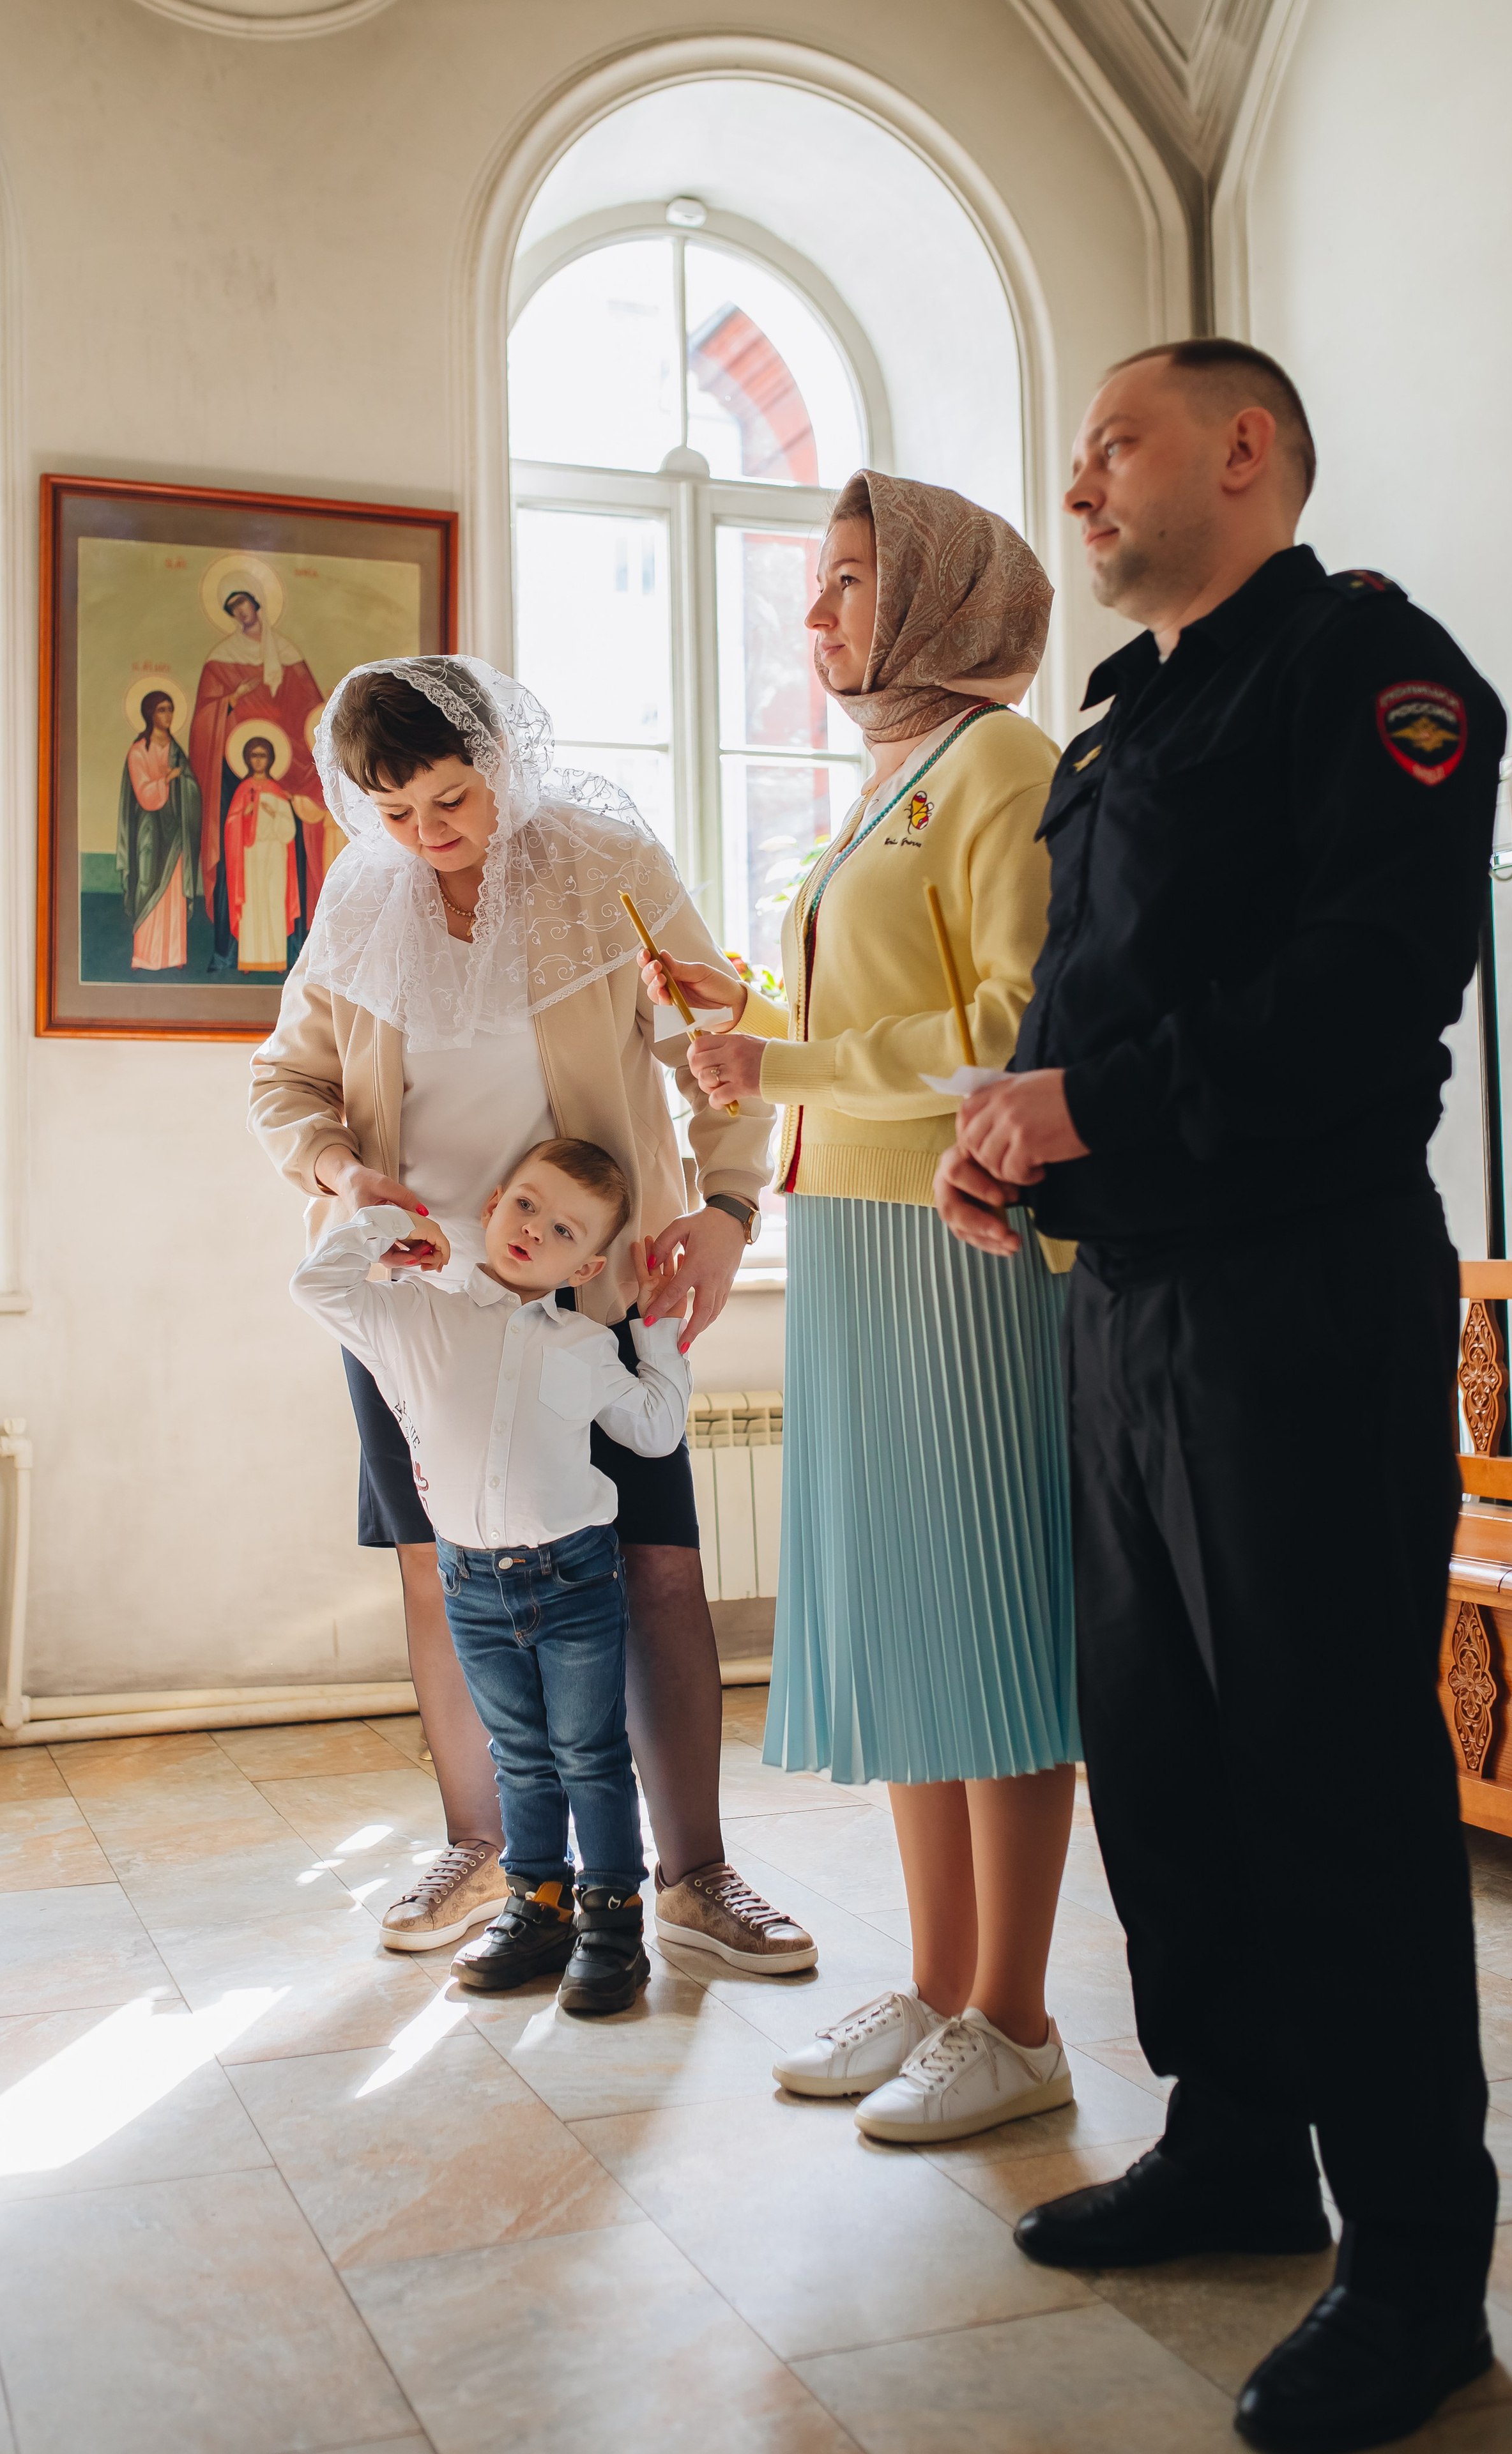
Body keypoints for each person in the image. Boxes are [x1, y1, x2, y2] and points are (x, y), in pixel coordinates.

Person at [936, 340, 1504, 2453]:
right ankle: (1242, 2145)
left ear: (1244, 449)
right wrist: (1020, 1144)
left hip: (1305, 1303)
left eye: (1116, 444)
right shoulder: (1137, 711)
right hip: (1138, 1298)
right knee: (1163, 1748)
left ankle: (1420, 2272)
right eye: (1078, 453)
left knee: (1332, 1781)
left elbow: (1366, 995)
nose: (1077, 481)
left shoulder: (1374, 676)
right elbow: (1109, 994)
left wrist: (1091, 1107)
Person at [249, 654, 815, 1976]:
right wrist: (341, 1173)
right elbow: (288, 1082)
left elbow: (724, 1043)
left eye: (451, 798)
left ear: (501, 756)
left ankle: (696, 1876)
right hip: (416, 1312)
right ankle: (485, 1845)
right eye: (395, 814)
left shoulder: (600, 861)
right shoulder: (358, 898)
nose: (429, 836)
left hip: (596, 1282)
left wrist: (727, 1211)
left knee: (655, 1569)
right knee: (441, 1576)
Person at [649, 472, 1079, 2145]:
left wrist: (792, 1054)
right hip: (848, 1232)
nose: (815, 616)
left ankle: (1020, 2015)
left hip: (958, 1240)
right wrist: (745, 1013)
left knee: (990, 1627)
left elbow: (1010, 1018)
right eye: (818, 585)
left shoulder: (1003, 765)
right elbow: (876, 1009)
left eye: (847, 584)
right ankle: (941, 1982)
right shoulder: (884, 781)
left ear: (940, 601)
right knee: (908, 1625)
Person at [290, 1138, 692, 2016]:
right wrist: (393, 1221)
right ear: (493, 1202)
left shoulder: (585, 1345)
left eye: (562, 1229)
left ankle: (613, 1920)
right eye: (525, 1205)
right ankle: (537, 1906)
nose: (533, 1230)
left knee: (589, 1755)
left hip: (577, 1579)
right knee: (518, 1757)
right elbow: (318, 1286)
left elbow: (655, 1430)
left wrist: (656, 1329)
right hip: (471, 1586)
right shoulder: (417, 1317)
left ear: (586, 1263)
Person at [191, 571, 333, 963]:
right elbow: (206, 715)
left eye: (245, 604)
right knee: (232, 844)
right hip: (232, 764)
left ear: (257, 605)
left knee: (297, 851)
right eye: (233, 608)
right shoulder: (221, 657)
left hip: (286, 759)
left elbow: (311, 713)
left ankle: (296, 944)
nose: (241, 612)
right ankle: (227, 944)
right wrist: (230, 701)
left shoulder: (285, 651)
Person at [118, 688, 201, 971]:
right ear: (150, 714)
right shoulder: (139, 750)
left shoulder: (176, 750)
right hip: (149, 830)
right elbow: (144, 793)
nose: (168, 715)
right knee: (147, 884)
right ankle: (143, 956)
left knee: (173, 889)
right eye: (162, 710)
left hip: (176, 828)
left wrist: (181, 778)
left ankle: (174, 955)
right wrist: (168, 778)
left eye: (170, 709)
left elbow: (190, 785)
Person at [223, 732, 302, 974]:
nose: (258, 760)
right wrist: (244, 814)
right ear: (247, 759)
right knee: (252, 904)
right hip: (250, 855)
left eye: (263, 755)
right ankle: (249, 960)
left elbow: (289, 830)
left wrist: (273, 812)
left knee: (274, 902)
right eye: (254, 756)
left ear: (271, 759)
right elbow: (230, 825)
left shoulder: (277, 791)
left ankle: (277, 960)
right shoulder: (243, 789)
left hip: (276, 853)